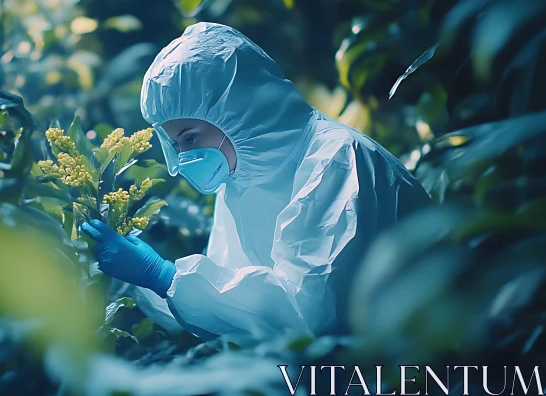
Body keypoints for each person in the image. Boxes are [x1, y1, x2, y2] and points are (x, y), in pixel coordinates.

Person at [80, 22, 432, 343]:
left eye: (189, 138)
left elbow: (305, 315)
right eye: (176, 145)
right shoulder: (239, 181)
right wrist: (147, 282)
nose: (185, 157)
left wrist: (164, 276)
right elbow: (235, 313)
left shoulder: (337, 160)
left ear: (237, 107)